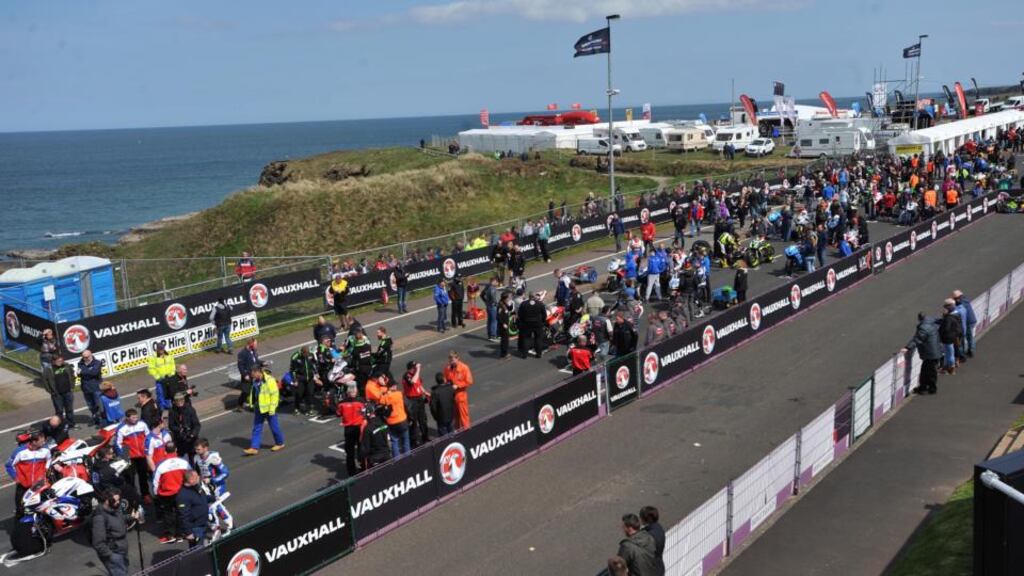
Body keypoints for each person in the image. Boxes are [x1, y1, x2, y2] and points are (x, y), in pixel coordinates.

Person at [152, 441, 190, 544]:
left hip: (166, 494)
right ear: (176, 449)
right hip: (181, 492)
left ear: (165, 451)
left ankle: (170, 535)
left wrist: (156, 494)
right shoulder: (184, 462)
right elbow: (190, 477)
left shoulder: (160, 464)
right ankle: (180, 534)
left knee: (168, 514)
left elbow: (155, 481)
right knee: (181, 513)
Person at [6, 431, 49, 518]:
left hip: (39, 485)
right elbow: (9, 465)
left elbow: (49, 460)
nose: (44, 443)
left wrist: (45, 472)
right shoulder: (19, 452)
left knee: (42, 508)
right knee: (20, 510)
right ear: (34, 441)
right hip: (23, 486)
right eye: (42, 441)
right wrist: (16, 478)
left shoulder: (46, 450)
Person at [243, 368, 284, 455]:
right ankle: (254, 448)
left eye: (253, 374)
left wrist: (272, 408)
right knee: (257, 428)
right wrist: (252, 404)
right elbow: (254, 393)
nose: (252, 376)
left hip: (269, 409)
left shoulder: (269, 380)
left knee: (274, 427)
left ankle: (280, 443)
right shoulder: (255, 381)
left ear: (258, 372)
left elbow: (275, 394)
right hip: (259, 408)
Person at [901, 312, 942, 395]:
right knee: (931, 371)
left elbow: (917, 339)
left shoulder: (924, 327)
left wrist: (907, 347)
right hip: (935, 351)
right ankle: (929, 387)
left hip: (930, 354)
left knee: (926, 371)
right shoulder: (932, 321)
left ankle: (925, 388)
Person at [92, 488, 130, 576]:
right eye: (115, 501)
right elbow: (98, 543)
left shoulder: (115, 508)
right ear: (106, 500)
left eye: (119, 500)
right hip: (114, 552)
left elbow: (119, 519)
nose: (118, 502)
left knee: (124, 570)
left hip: (122, 548)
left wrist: (130, 517)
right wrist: (110, 556)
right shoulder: (99, 517)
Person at [115, 409, 151, 504]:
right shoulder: (121, 428)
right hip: (129, 456)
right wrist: (125, 456)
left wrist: (147, 449)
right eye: (133, 417)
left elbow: (148, 437)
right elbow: (118, 444)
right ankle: (133, 496)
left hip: (142, 454)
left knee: (143, 476)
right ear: (127, 418)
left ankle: (146, 494)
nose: (136, 419)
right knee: (129, 478)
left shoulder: (142, 424)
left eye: (136, 417)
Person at [337, 384, 366, 476]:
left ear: (347, 393)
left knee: (350, 452)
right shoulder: (361, 401)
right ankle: (363, 468)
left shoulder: (341, 403)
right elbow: (365, 412)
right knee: (361, 448)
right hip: (359, 428)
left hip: (348, 429)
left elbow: (338, 413)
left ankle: (351, 472)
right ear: (356, 391)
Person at [175, 471, 209, 548]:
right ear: (191, 480)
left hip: (203, 523)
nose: (199, 477)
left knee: (204, 547)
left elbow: (202, 498)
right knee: (198, 550)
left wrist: (214, 498)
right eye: (197, 477)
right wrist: (188, 533)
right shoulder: (183, 496)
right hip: (195, 527)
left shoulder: (196, 487)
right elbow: (183, 515)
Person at [379, 380, 410, 458]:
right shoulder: (398, 394)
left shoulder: (385, 397)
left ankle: (397, 459)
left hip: (391, 422)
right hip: (402, 420)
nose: (396, 387)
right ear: (391, 387)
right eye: (395, 385)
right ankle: (408, 456)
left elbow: (381, 401)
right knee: (405, 440)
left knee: (394, 441)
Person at [402, 362, 430, 447]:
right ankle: (413, 442)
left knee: (423, 420)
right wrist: (418, 370)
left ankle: (425, 438)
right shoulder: (407, 375)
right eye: (414, 368)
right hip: (411, 400)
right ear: (410, 368)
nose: (416, 369)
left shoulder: (416, 375)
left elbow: (419, 385)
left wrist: (425, 392)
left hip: (419, 399)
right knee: (413, 422)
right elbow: (412, 382)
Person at [443, 352, 474, 430]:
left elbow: (469, 381)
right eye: (450, 360)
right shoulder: (447, 368)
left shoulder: (464, 368)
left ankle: (467, 431)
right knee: (455, 417)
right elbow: (445, 380)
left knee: (464, 416)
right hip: (451, 397)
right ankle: (457, 432)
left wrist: (458, 385)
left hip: (461, 396)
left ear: (457, 358)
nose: (451, 362)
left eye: (453, 360)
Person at [168, 393, 200, 464]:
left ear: (184, 400)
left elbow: (196, 424)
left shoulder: (190, 409)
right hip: (180, 441)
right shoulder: (172, 411)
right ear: (175, 402)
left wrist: (192, 434)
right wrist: (179, 429)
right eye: (177, 401)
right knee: (183, 462)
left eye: (181, 400)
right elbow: (171, 425)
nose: (179, 402)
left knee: (195, 460)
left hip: (191, 440)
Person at [77, 350, 105, 427]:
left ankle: (102, 421)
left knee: (99, 405)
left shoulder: (97, 363)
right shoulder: (80, 363)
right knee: (91, 406)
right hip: (85, 388)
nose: (85, 359)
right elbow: (78, 374)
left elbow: (94, 373)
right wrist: (87, 371)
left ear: (90, 355)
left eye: (86, 357)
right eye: (83, 357)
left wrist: (84, 372)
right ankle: (95, 419)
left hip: (96, 388)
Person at [289, 345, 319, 416]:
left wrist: (316, 373)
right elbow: (292, 370)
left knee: (310, 392)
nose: (306, 356)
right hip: (300, 378)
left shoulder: (311, 355)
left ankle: (310, 409)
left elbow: (314, 365)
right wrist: (294, 380)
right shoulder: (295, 357)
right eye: (305, 354)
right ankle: (296, 408)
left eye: (307, 354)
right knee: (299, 393)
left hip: (310, 378)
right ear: (302, 353)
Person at [517, 291, 547, 359]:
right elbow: (544, 315)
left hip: (527, 324)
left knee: (526, 339)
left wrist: (523, 321)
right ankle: (538, 354)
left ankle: (524, 354)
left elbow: (520, 314)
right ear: (535, 297)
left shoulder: (524, 304)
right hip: (538, 324)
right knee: (538, 339)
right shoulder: (540, 304)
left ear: (529, 296)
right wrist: (542, 322)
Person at [147, 343, 176, 411]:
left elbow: (173, 364)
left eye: (162, 349)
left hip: (169, 377)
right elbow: (151, 369)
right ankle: (162, 407)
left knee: (169, 392)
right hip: (160, 379)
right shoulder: (153, 357)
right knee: (160, 393)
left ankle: (169, 406)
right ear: (157, 349)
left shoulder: (168, 355)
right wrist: (157, 377)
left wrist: (172, 373)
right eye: (160, 349)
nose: (161, 350)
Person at [938, 299, 963, 374]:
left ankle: (951, 368)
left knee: (949, 353)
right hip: (954, 336)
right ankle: (949, 366)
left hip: (948, 338)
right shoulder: (957, 315)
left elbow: (945, 328)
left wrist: (940, 333)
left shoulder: (948, 318)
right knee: (950, 352)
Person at [50, 356, 75, 427]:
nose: (60, 362)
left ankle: (71, 424)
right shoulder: (49, 369)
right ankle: (60, 425)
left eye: (61, 361)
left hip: (68, 392)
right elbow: (46, 382)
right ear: (53, 361)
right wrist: (51, 391)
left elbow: (72, 375)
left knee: (69, 409)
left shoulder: (67, 366)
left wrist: (72, 387)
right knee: (59, 411)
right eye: (58, 361)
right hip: (57, 394)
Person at [235, 339, 259, 412]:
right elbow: (240, 366)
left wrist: (263, 363)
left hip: (255, 373)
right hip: (248, 375)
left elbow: (256, 361)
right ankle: (239, 405)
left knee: (255, 390)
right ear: (250, 344)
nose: (256, 346)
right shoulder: (242, 353)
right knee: (246, 391)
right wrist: (245, 375)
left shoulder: (253, 351)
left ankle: (253, 405)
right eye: (255, 344)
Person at [952, 289, 978, 359]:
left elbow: (957, 310)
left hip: (968, 322)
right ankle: (971, 350)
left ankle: (969, 351)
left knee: (968, 337)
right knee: (970, 337)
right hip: (971, 320)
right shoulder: (965, 299)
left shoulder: (962, 303)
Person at [429, 372, 455, 436]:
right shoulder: (450, 388)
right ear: (444, 379)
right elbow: (453, 398)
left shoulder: (435, 392)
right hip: (451, 415)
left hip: (441, 417)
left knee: (443, 436)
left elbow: (433, 407)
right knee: (451, 432)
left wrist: (436, 417)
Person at [38, 328, 60, 402]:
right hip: (44, 360)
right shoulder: (43, 340)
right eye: (47, 334)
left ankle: (56, 388)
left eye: (49, 334)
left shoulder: (54, 340)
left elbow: (54, 348)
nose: (48, 335)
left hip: (52, 360)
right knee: (46, 375)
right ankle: (50, 388)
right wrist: (43, 334)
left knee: (53, 375)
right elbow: (38, 340)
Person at [482, 277, 500, 341]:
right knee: (494, 321)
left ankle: (490, 335)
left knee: (490, 321)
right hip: (492, 306)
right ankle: (493, 336)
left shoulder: (487, 287)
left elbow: (482, 295)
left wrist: (486, 302)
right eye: (497, 282)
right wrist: (496, 304)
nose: (497, 283)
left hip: (488, 306)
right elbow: (493, 298)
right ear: (494, 281)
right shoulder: (492, 288)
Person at [497, 291, 514, 358]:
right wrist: (503, 323)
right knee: (505, 339)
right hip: (503, 325)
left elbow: (509, 309)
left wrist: (511, 303)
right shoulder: (500, 306)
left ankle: (504, 352)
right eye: (508, 298)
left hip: (506, 323)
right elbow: (498, 316)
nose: (508, 299)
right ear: (504, 298)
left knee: (506, 339)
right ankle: (504, 353)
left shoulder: (504, 303)